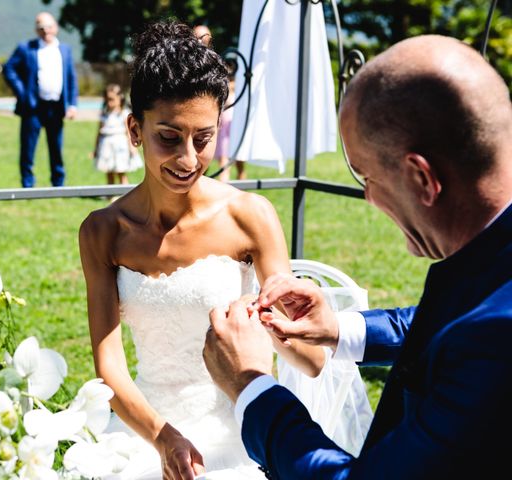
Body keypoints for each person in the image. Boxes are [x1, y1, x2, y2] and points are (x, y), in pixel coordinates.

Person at [203, 34, 512, 479]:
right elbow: (446, 319)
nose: (367, 197)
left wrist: (251, 386)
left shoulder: (496, 341)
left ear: (421, 178)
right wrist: (337, 329)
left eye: (366, 177)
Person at [79, 20, 369, 480]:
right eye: (169, 138)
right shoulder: (103, 231)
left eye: (204, 138)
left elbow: (310, 363)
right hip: (145, 427)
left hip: (238, 428)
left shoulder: (249, 215)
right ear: (135, 130)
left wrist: (292, 328)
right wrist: (161, 437)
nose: (189, 159)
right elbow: (108, 367)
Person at [2, 12, 78, 188]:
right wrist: (22, 93)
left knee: (56, 148)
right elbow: (9, 69)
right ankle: (27, 185)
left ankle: (58, 184)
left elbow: (71, 78)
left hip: (56, 107)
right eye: (41, 28)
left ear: (56, 27)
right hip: (33, 108)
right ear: (36, 30)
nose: (46, 31)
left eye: (49, 27)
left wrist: (73, 104)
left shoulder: (65, 50)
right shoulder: (26, 48)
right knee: (27, 149)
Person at [92, 84, 142, 196]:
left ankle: (125, 194)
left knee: (121, 172)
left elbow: (128, 132)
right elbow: (98, 132)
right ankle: (110, 195)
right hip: (106, 146)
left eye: (112, 99)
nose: (109, 102)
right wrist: (95, 149)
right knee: (109, 172)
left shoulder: (124, 114)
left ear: (120, 98)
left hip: (120, 146)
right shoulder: (104, 114)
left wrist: (132, 148)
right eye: (107, 99)